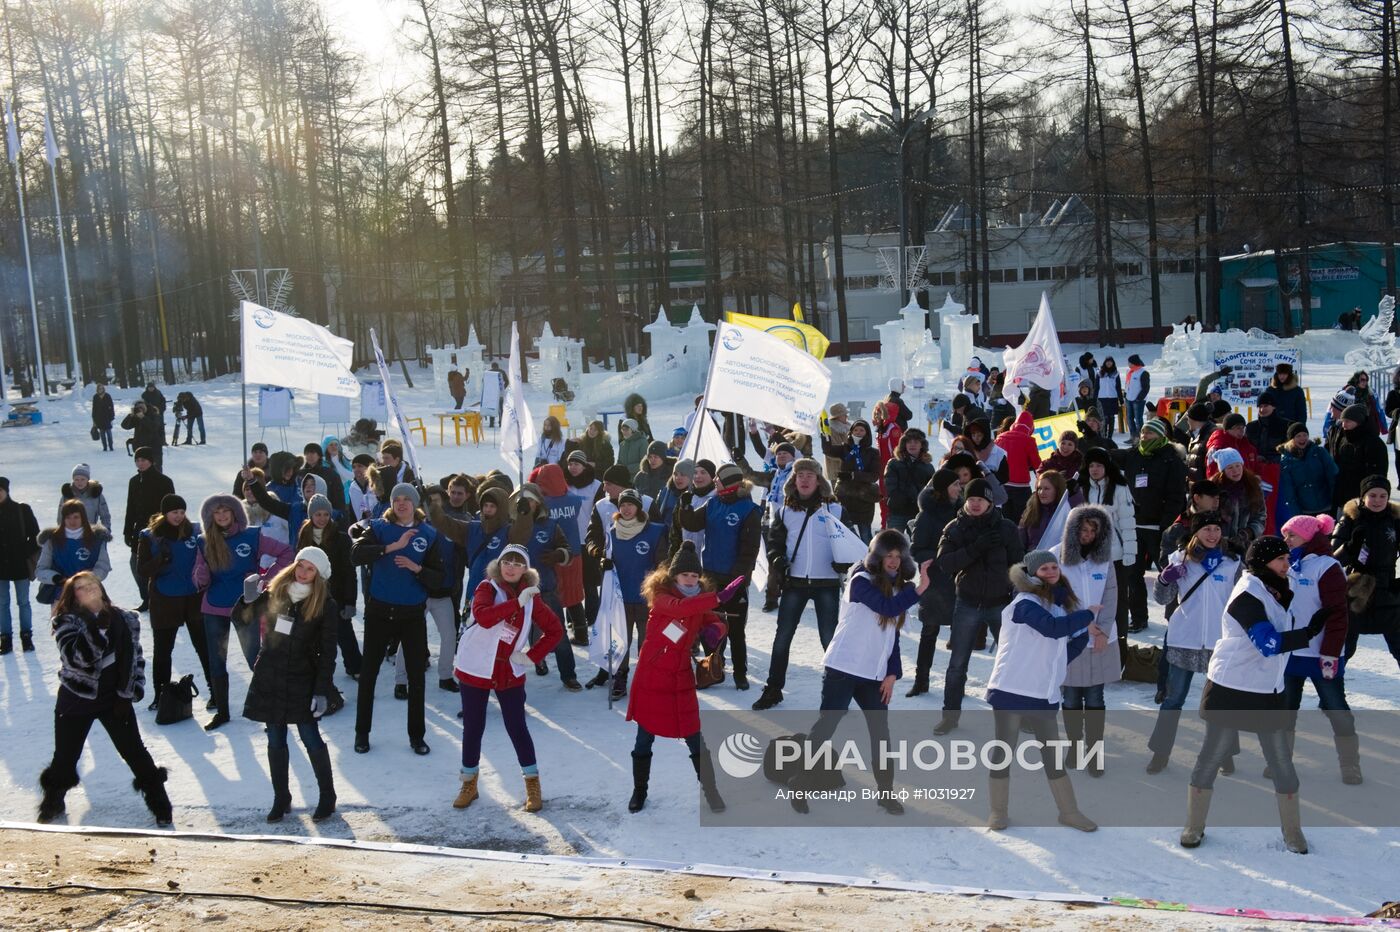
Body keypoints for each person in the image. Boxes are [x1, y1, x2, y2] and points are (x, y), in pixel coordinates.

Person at [1178, 536, 1326, 854]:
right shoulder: (1246, 596)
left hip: (1267, 689)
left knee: (1282, 763)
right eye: (1281, 560)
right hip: (1230, 689)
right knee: (1211, 757)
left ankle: (1292, 832)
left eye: (1288, 558)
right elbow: (1269, 644)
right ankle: (1194, 826)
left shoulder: (1277, 588)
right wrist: (1309, 633)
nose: (1287, 565)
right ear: (1262, 565)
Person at [789, 530, 931, 817]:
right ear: (876, 557)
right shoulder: (859, 581)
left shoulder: (897, 589)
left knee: (881, 734)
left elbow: (892, 635)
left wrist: (892, 674)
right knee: (826, 727)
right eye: (887, 555)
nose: (892, 561)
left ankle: (886, 794)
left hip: (874, 674)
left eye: (897, 556)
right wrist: (918, 589)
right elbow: (886, 607)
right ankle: (799, 783)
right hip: (843, 667)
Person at [35, 573, 173, 826]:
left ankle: (162, 807)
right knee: (65, 757)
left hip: (114, 699)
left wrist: (130, 690)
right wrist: (96, 628)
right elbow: (77, 658)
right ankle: (52, 803)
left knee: (135, 753)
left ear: (101, 588)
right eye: (80, 588)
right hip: (76, 698)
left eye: (91, 585)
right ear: (72, 595)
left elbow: (136, 657)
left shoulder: (126, 618)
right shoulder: (65, 622)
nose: (88, 590)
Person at [984, 550, 1100, 832]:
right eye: (1044, 568)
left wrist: (1083, 634)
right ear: (1031, 573)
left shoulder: (1059, 607)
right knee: (1004, 751)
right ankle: (998, 812)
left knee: (1052, 754)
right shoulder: (1024, 603)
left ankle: (1068, 812)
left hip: (1043, 693)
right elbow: (1051, 630)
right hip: (1012, 688)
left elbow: (1062, 651)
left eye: (1054, 567)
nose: (1051, 572)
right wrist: (1086, 616)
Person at [625, 542, 740, 813]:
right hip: (652, 677)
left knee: (694, 737)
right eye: (685, 575)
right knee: (644, 738)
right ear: (673, 576)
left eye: (694, 575)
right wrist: (719, 597)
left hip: (680, 678)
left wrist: (716, 628)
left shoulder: (698, 600)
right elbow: (680, 609)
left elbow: (709, 618)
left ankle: (711, 792)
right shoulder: (663, 597)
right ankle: (639, 791)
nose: (690, 579)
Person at [452, 545, 563, 814]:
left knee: (516, 726)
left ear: (526, 569)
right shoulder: (487, 588)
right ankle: (469, 783)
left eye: (517, 563)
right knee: (473, 726)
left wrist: (532, 656)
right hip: (476, 664)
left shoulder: (532, 597)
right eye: (506, 562)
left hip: (507, 668)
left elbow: (555, 630)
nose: (510, 567)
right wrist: (517, 602)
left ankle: (532, 784)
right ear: (499, 565)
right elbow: (484, 617)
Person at [240, 548, 340, 822]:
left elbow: (329, 652)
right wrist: (247, 599)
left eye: (310, 569)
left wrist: (321, 689)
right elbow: (244, 619)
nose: (303, 572)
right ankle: (281, 797)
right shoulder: (277, 593)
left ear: (319, 575)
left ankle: (327, 796)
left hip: (302, 678)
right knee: (275, 739)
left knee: (310, 737)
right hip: (270, 676)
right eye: (300, 566)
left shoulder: (324, 604)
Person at [350, 483, 445, 755]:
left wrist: (417, 568)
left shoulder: (428, 534)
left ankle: (417, 736)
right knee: (368, 674)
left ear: (414, 504)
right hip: (380, 611)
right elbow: (356, 554)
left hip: (411, 614)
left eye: (406, 499)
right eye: (396, 499)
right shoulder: (378, 528)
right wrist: (391, 548)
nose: (401, 503)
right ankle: (362, 733)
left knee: (416, 677)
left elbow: (439, 578)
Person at [1148, 510, 1241, 772]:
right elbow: (1163, 599)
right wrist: (1165, 579)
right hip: (1184, 639)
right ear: (1196, 532)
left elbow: (1242, 600)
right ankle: (1160, 753)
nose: (1212, 535)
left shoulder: (1232, 563)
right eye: (1206, 529)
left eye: (1216, 530)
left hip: (1220, 642)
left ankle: (1225, 753)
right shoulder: (1180, 559)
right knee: (1173, 698)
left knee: (1221, 703)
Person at [752, 459, 846, 710]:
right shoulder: (784, 511)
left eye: (809, 475)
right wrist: (777, 559)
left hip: (826, 582)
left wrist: (843, 562)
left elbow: (849, 543)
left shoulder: (834, 510)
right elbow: (774, 543)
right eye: (800, 475)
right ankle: (773, 689)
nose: (804, 480)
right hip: (795, 582)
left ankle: (837, 694)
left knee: (830, 640)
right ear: (793, 480)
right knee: (782, 638)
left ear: (819, 480)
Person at [194, 494, 294, 729]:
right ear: (210, 516)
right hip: (214, 607)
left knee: (254, 658)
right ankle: (223, 712)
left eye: (225, 511)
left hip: (245, 606)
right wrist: (199, 577)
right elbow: (199, 576)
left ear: (235, 513)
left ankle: (271, 708)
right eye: (216, 513)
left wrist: (264, 580)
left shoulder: (252, 535)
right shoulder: (203, 541)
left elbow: (286, 553)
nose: (221, 516)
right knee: (216, 661)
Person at [933, 477, 1024, 735]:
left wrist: (1014, 591)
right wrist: (975, 548)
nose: (975, 504)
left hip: (1001, 604)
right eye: (971, 499)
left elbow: (1020, 564)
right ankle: (949, 716)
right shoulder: (955, 528)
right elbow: (946, 563)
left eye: (980, 500)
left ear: (990, 502)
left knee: (1012, 662)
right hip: (968, 602)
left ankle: (1021, 715)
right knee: (957, 663)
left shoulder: (1006, 528)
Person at [1279, 514, 1360, 785]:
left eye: (1292, 534)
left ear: (1309, 535)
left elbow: (1338, 613)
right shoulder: (1287, 563)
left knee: (1336, 707)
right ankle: (1282, 761)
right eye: (1286, 534)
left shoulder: (1327, 566)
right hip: (1291, 652)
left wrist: (1330, 652)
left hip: (1321, 653)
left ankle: (1350, 764)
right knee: (1286, 709)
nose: (1286, 539)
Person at [677, 461, 762, 690]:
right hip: (711, 577)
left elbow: (749, 551)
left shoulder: (748, 510)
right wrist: (685, 506)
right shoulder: (712, 502)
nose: (714, 481)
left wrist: (737, 580)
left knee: (735, 629)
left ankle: (740, 673)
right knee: (710, 627)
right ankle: (713, 669)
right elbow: (692, 524)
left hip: (733, 580)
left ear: (729, 482)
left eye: (718, 479)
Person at [1051, 505, 1119, 778]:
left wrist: (1101, 630)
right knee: (1070, 697)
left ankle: (1094, 751)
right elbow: (1055, 597)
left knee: (1094, 696)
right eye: (1083, 529)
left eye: (1094, 530)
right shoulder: (1057, 556)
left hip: (1101, 639)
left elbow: (1111, 594)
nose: (1088, 534)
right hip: (1071, 637)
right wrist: (1081, 624)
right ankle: (1074, 746)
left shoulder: (1104, 560)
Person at [137, 494, 213, 710]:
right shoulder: (150, 536)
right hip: (165, 599)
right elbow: (142, 570)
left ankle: (215, 692)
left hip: (193, 597)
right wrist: (160, 558)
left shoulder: (195, 532)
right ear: (165, 513)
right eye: (174, 512)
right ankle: (161, 696)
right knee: (163, 650)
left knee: (204, 647)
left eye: (181, 512)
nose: (179, 516)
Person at [596, 488, 668, 699]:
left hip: (647, 598)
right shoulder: (611, 531)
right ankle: (620, 677)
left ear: (639, 507)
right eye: (623, 505)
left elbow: (662, 565)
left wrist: (659, 591)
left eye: (631, 504)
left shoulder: (654, 531)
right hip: (621, 598)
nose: (626, 509)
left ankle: (648, 678)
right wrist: (604, 563)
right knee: (621, 642)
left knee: (648, 642)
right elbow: (608, 557)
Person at [1121, 418, 1188, 635]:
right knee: (1133, 574)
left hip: (1160, 529)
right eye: (1143, 432)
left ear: (1160, 436)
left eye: (1149, 433)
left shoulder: (1172, 460)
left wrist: (1164, 525)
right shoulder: (1133, 455)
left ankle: (1178, 617)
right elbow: (1108, 460)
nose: (1144, 436)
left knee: (1169, 574)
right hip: (1134, 526)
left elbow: (1177, 497)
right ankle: (1139, 618)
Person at [1332, 474, 1400, 671]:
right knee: (1345, 647)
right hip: (1355, 590)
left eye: (1382, 496)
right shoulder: (1350, 519)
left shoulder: (1394, 521)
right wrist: (1350, 547)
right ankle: (1331, 690)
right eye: (1372, 495)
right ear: (1363, 497)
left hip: (1387, 589)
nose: (1377, 500)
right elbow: (1332, 559)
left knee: (1398, 644)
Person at [906, 468, 961, 696]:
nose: (959, 488)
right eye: (955, 484)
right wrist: (942, 558)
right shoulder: (927, 515)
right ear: (943, 488)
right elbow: (916, 549)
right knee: (929, 632)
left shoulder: (964, 512)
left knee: (961, 637)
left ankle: (957, 684)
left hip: (961, 581)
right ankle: (921, 680)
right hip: (936, 582)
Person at [296, 494, 360, 683]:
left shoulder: (340, 538)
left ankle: (355, 666)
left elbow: (349, 573)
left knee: (344, 633)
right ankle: (313, 670)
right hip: (310, 595)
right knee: (313, 636)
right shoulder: (304, 537)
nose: (322, 518)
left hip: (336, 596)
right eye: (318, 514)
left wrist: (350, 601)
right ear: (311, 516)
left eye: (326, 514)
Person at [1077, 448, 1137, 641]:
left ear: (1107, 466)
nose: (1095, 469)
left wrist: (1130, 553)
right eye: (1091, 465)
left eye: (1099, 465)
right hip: (1089, 555)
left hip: (1115, 555)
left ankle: (1120, 640)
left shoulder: (1119, 488)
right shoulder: (1083, 487)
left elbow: (1127, 523)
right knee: (1092, 598)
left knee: (1118, 601)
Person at [123, 448, 175, 613]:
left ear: (151, 461)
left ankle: (162, 597)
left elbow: (171, 507)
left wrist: (169, 527)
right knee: (136, 564)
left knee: (160, 564)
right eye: (137, 460)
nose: (140, 463)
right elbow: (130, 507)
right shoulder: (134, 481)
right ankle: (146, 598)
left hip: (158, 529)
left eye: (143, 460)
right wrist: (127, 530)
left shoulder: (164, 481)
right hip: (139, 530)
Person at [36, 501, 113, 597]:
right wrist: (56, 578)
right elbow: (41, 570)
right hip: (61, 595)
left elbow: (103, 566)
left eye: (76, 517)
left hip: (89, 593)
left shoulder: (97, 539)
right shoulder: (52, 540)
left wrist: (87, 580)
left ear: (83, 518)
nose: (72, 521)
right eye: (68, 517)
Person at [0, 477, 40, 654]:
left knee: (23, 602)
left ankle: (26, 636)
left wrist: (25, 551)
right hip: (0, 566)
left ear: (6, 491)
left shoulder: (22, 510)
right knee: (2, 603)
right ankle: (5, 638)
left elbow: (36, 536)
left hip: (20, 564)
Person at [1327, 404, 1388, 512]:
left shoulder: (1373, 443)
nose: (1344, 424)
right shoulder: (1340, 436)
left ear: (1359, 422)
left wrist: (1369, 495)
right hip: (1340, 494)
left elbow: (1378, 474)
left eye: (1348, 421)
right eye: (1343, 421)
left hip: (1361, 497)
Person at [827, 419, 880, 542]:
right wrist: (825, 435)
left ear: (867, 433)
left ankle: (869, 558)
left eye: (862, 430)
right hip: (846, 496)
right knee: (846, 533)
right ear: (851, 432)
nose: (858, 432)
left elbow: (874, 476)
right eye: (856, 430)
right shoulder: (845, 448)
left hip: (864, 497)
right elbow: (828, 450)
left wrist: (853, 475)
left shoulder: (873, 452)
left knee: (865, 533)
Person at [1276, 424, 1337, 524]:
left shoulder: (1319, 452)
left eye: (1305, 435)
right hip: (1305, 509)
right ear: (1292, 439)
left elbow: (1332, 474)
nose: (1302, 438)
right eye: (1298, 436)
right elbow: (1288, 490)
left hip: (1326, 506)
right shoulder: (1286, 460)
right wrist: (1297, 514)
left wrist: (1335, 500)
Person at [883, 429, 934, 533]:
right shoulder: (894, 463)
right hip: (897, 512)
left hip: (917, 512)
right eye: (909, 442)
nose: (912, 445)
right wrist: (901, 499)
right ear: (904, 444)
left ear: (922, 445)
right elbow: (890, 486)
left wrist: (919, 501)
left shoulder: (928, 467)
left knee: (916, 545)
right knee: (893, 543)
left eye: (916, 442)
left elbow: (930, 490)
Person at [1017, 470, 1081, 552]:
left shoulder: (1065, 509)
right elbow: (1020, 540)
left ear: (1057, 490)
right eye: (1039, 488)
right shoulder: (1031, 510)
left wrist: (1075, 494)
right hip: (1033, 559)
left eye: (1046, 489)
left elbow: (1081, 514)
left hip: (1058, 559)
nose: (1041, 492)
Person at [995, 411, 1042, 521]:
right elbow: (1037, 465)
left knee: (1005, 519)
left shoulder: (1000, 438)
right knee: (1022, 519)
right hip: (1021, 487)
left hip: (1003, 486)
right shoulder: (1029, 441)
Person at [1205, 414, 1259, 479]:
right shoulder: (1219, 446)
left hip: (1246, 486)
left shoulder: (1249, 447)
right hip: (1225, 486)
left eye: (1243, 428)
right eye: (1238, 428)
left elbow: (1255, 470)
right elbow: (1212, 472)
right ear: (1227, 430)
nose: (1242, 431)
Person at [58, 464, 111, 529]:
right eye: (76, 479)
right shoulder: (67, 495)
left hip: (90, 532)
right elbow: (60, 516)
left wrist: (106, 530)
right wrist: (61, 532)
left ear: (88, 479)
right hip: (71, 533)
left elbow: (105, 516)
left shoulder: (96, 494)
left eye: (83, 479)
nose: (79, 482)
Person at [301, 442, 348, 512]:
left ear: (319, 455)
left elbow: (339, 497)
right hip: (304, 513)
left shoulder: (330, 473)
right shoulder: (300, 474)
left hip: (326, 513)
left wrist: (339, 514)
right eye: (307, 453)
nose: (309, 456)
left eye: (312, 453)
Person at [121, 402, 165, 467]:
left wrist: (143, 417)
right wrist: (130, 416)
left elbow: (154, 427)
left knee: (155, 471)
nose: (141, 409)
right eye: (138, 408)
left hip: (154, 449)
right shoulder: (137, 417)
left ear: (146, 406)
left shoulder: (155, 415)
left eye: (142, 407)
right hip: (140, 448)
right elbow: (125, 426)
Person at [1346, 370, 1387, 435]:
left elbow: (1379, 410)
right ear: (1356, 380)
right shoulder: (1347, 392)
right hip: (1353, 429)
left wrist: (1383, 427)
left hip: (1370, 428)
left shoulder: (1371, 393)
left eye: (1366, 380)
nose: (1365, 382)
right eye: (1362, 380)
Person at [1268, 363, 1307, 428]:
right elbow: (1265, 410)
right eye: (1280, 374)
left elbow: (1302, 412)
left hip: (1292, 426)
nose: (1282, 376)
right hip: (1273, 427)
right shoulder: (1271, 390)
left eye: (1284, 374)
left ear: (1289, 375)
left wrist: (1300, 428)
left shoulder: (1297, 391)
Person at [1124, 354, 1151, 437]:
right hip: (1129, 399)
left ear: (1134, 363)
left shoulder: (1143, 372)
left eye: (1130, 362)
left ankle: (1140, 437)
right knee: (1129, 419)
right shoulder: (1129, 372)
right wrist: (1125, 394)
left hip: (1138, 400)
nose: (1128, 364)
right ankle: (1133, 436)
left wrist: (1139, 398)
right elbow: (1127, 384)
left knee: (1138, 419)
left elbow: (1146, 388)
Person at [1096, 357, 1124, 436]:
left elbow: (1118, 387)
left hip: (1112, 397)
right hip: (1102, 398)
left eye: (1110, 362)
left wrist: (1121, 399)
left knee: (1111, 417)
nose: (1109, 363)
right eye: (1107, 362)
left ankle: (1110, 436)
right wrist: (1094, 398)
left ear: (1113, 363)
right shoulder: (1099, 373)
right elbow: (1096, 387)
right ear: (1104, 363)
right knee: (1104, 417)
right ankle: (1103, 434)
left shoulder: (1116, 373)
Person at [92, 383, 116, 452]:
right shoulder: (95, 397)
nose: (101, 390)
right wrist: (94, 419)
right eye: (99, 388)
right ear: (97, 389)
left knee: (109, 433)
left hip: (107, 417)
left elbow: (111, 407)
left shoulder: (107, 396)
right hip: (99, 418)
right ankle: (104, 447)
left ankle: (111, 446)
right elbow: (94, 409)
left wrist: (112, 417)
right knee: (102, 434)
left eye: (102, 388)